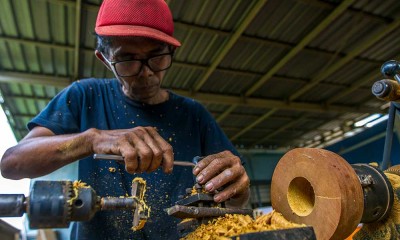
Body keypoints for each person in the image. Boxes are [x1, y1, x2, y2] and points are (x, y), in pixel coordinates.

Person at [0, 0, 250, 239]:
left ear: (171, 51)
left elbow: (236, 197)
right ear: (105, 59)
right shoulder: (84, 96)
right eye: (128, 59)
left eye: (157, 57)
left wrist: (238, 188)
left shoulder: (195, 115)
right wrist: (91, 139)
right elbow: (12, 163)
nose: (146, 73)